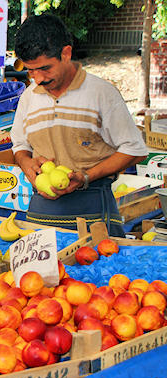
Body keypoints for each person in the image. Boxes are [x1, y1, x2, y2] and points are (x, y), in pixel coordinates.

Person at [10, 15, 148, 237]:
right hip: (41, 209)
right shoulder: (29, 97)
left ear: (66, 53)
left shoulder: (101, 94)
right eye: (31, 70)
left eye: (45, 68)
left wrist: (85, 177)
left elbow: (134, 150)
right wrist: (27, 165)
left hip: (92, 206)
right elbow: (19, 144)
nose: (38, 79)